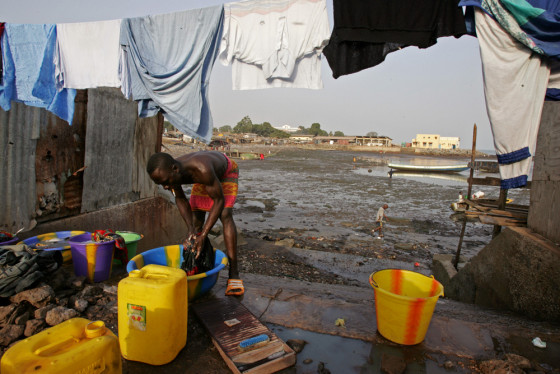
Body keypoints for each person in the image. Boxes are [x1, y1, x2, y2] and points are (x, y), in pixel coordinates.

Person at [146, 151, 244, 296]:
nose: (165, 187)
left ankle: (234, 273)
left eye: (166, 182)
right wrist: (191, 230)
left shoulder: (201, 169)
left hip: (225, 171)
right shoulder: (171, 172)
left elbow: (218, 201)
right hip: (205, 176)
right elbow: (179, 198)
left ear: (175, 169)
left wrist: (204, 234)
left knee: (224, 214)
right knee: (196, 216)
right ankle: (197, 265)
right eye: (161, 185)